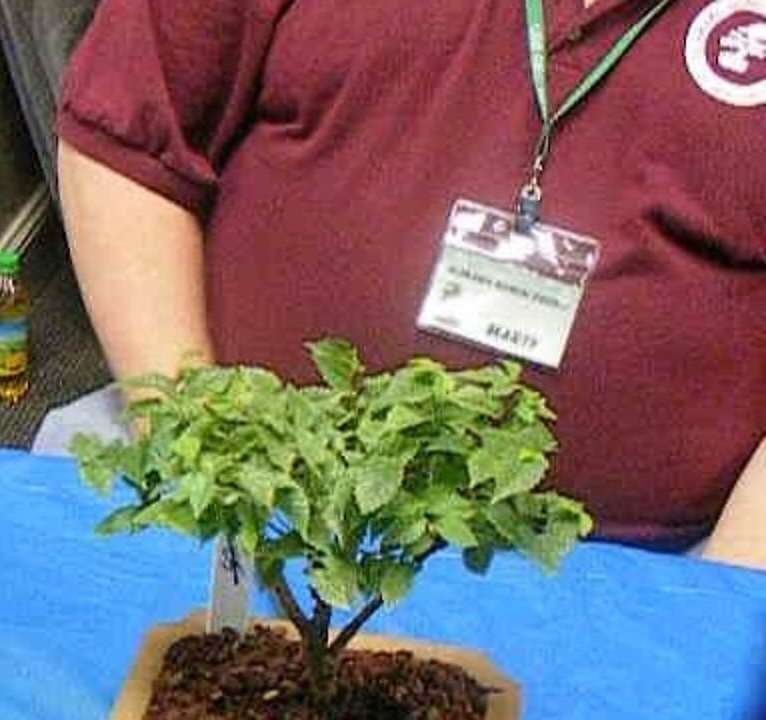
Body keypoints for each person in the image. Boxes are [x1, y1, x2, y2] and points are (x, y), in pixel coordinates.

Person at [49, 0, 766, 569]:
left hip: (658, 567)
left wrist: (717, 613)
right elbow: (129, 137)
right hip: (245, 495)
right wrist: (189, 444)